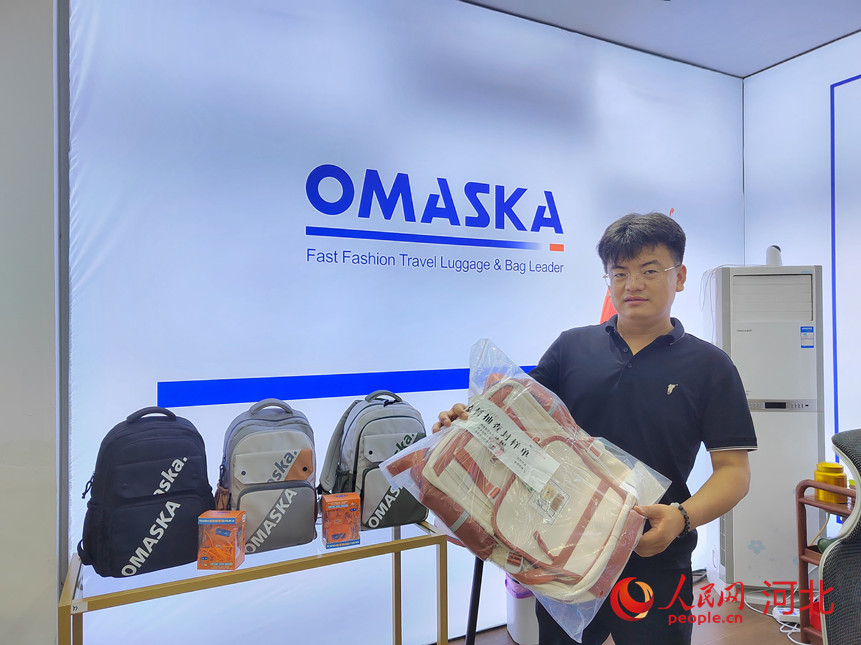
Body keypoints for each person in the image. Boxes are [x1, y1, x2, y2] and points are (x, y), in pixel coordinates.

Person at [433, 212, 757, 645]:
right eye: (619, 273)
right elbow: (515, 423)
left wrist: (682, 518)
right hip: (562, 553)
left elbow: (734, 472)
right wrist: (467, 425)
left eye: (648, 271)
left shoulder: (710, 366)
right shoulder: (571, 348)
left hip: (654, 552)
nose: (632, 284)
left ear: (679, 277)